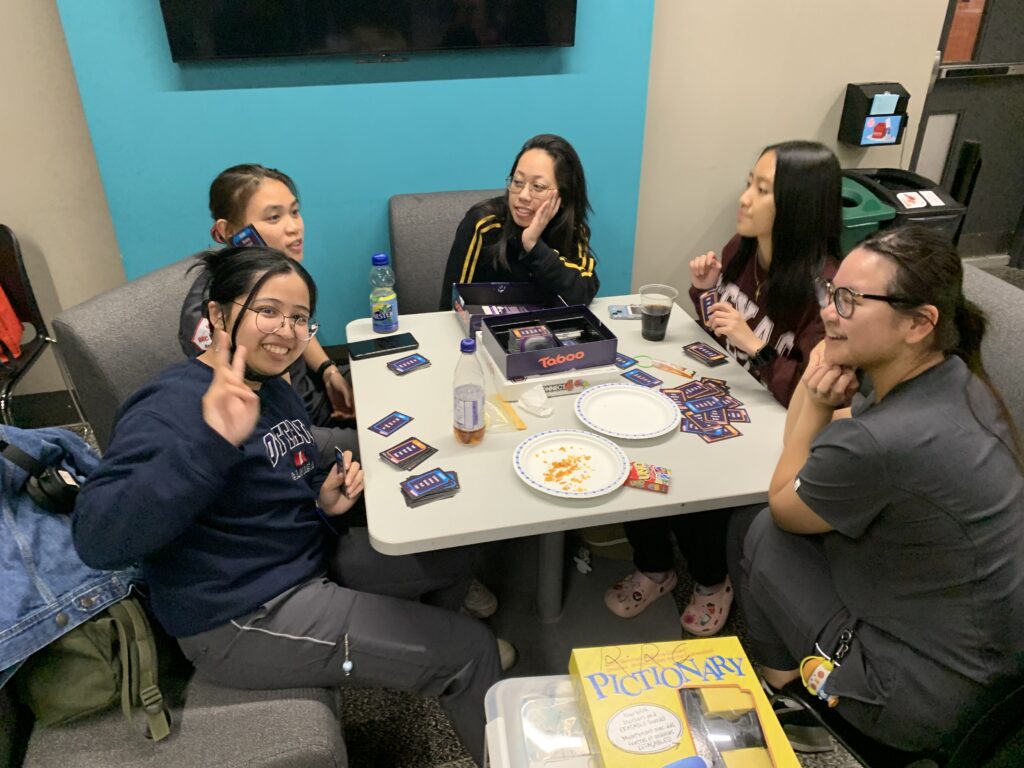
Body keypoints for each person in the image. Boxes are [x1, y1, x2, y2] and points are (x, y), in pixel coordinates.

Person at [74, 248, 501, 765]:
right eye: (268, 311)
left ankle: (409, 663)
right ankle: (448, 665)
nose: (286, 330)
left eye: (299, 318)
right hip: (239, 617)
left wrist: (324, 502)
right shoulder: (170, 407)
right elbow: (98, 538)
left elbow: (271, 479)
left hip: (300, 562)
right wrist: (211, 443)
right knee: (473, 650)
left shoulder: (270, 384)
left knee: (456, 552)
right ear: (217, 316)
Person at [730, 226, 1024, 754]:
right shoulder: (955, 376)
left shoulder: (882, 443)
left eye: (849, 300)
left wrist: (815, 402)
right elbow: (858, 429)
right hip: (985, 667)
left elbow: (784, 503)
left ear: (920, 324)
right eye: (831, 292)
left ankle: (803, 710)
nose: (828, 311)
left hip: (917, 698)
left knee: (760, 532)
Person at [605, 141, 841, 636]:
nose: (744, 198)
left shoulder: (826, 294)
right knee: (633, 452)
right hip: (724, 390)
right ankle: (656, 567)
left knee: (693, 481)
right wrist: (707, 290)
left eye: (762, 189)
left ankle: (713, 583)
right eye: (748, 182)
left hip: (777, 428)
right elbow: (719, 330)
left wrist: (756, 347)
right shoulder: (742, 251)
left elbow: (811, 396)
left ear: (796, 205)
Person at [178, 164, 356, 462]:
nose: (293, 227)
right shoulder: (216, 309)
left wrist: (328, 372)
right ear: (228, 231)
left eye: (294, 212)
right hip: (283, 431)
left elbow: (298, 327)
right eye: (274, 217)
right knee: (388, 445)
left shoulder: (272, 272)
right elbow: (268, 414)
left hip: (312, 395)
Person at [438, 133, 599, 310]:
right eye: (518, 182)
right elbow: (452, 306)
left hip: (548, 331)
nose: (523, 195)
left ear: (564, 195)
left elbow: (582, 293)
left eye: (537, 186)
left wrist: (533, 246)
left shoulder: (572, 229)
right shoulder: (484, 224)